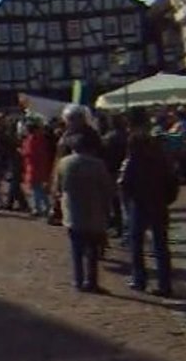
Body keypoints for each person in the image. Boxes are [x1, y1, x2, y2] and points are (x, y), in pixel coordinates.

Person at [118, 107, 178, 297]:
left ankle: (139, 278)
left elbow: (126, 176)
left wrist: (126, 194)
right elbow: (170, 174)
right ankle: (165, 283)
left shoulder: (134, 142)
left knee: (137, 242)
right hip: (158, 198)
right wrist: (168, 196)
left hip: (139, 199)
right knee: (161, 244)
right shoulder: (158, 143)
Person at [54, 134, 115, 292]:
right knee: (92, 250)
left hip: (72, 211)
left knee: (76, 248)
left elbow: (58, 187)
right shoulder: (98, 164)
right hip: (94, 210)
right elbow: (107, 188)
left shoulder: (64, 163)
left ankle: (78, 280)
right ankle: (91, 281)